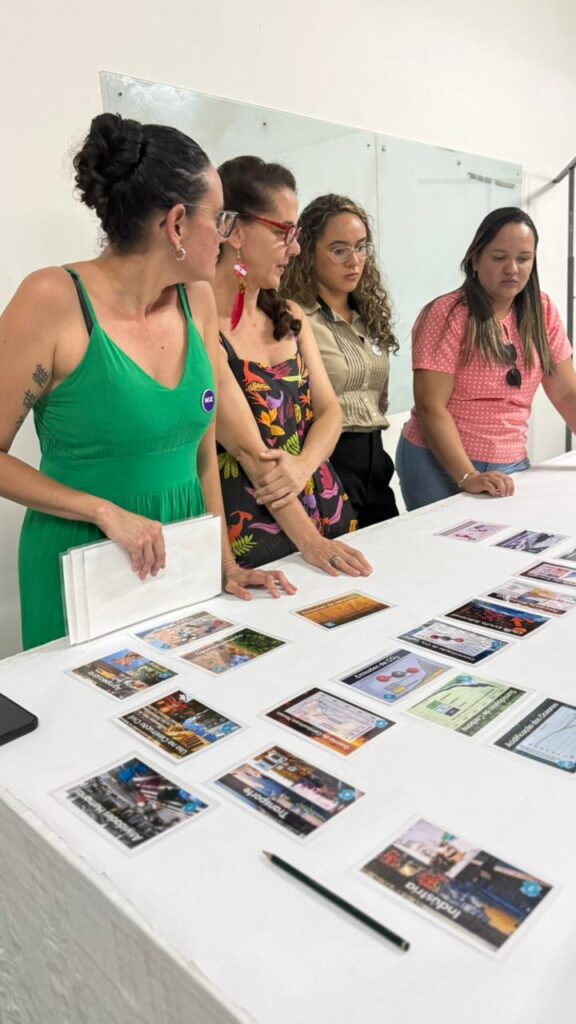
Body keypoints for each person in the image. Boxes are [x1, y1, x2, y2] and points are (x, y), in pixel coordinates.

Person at [0, 114, 295, 650]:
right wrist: (101, 510)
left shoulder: (196, 300)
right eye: (220, 218)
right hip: (83, 561)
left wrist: (224, 562)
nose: (226, 235)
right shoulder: (52, 299)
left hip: (181, 560)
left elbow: (203, 457)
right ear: (177, 224)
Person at [211, 157, 372, 579]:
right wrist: (310, 542)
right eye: (284, 232)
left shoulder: (290, 314)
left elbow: (330, 412)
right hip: (255, 522)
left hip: (323, 505)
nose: (296, 248)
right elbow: (250, 454)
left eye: (296, 233)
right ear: (235, 231)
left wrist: (302, 467)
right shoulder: (201, 324)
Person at [395, 207, 576, 510]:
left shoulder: (543, 311)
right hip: (436, 463)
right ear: (475, 259)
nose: (512, 269)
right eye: (499, 257)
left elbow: (566, 392)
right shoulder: (446, 314)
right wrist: (467, 475)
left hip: (509, 463)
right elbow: (430, 406)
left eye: (523, 258)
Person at [281, 194, 399, 528]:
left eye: (361, 248)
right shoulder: (295, 318)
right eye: (339, 250)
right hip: (328, 459)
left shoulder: (369, 317)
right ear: (308, 252)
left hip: (375, 458)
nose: (354, 261)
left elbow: (379, 398)